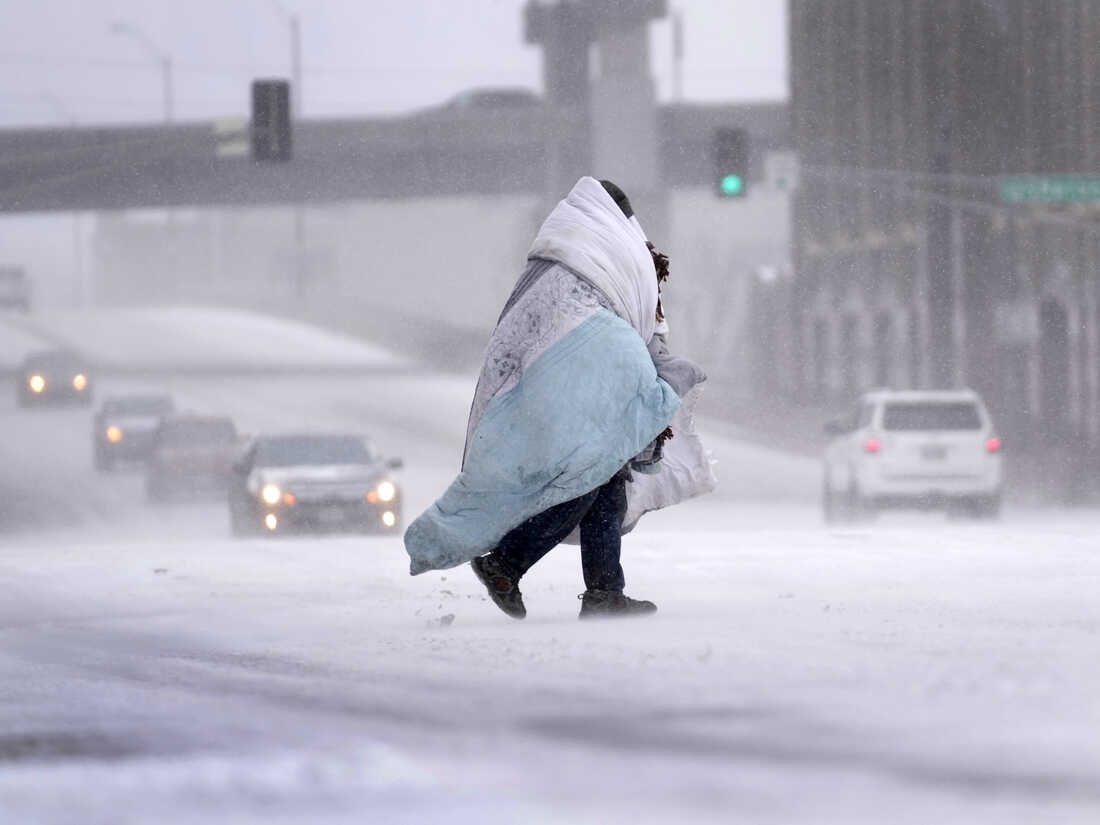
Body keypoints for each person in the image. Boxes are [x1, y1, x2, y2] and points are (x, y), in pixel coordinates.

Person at [403, 177, 714, 619]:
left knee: (606, 479)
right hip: (574, 382)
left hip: (549, 382)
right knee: (588, 475)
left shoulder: (561, 257)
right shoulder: (607, 254)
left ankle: (605, 591)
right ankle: (506, 562)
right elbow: (631, 318)